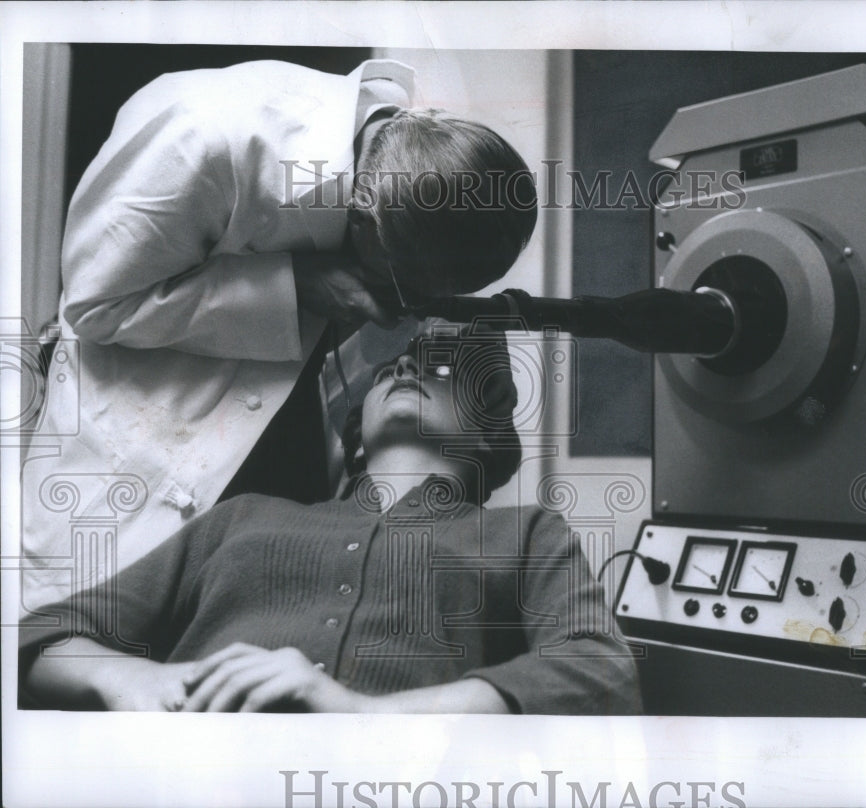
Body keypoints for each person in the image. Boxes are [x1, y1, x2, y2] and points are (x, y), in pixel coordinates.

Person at [20, 58, 537, 610]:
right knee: (81, 639)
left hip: (270, 497)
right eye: (406, 286)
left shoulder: (406, 193)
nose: (410, 307)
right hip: (132, 487)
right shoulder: (203, 133)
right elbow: (96, 303)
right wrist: (296, 288)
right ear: (362, 219)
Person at [20, 329, 641, 715]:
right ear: (358, 438)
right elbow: (42, 633)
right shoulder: (242, 518)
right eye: (390, 369)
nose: (405, 370)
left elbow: (599, 671)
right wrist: (131, 679)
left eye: (439, 372)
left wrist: (364, 716)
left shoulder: (527, 532)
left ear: (487, 435)